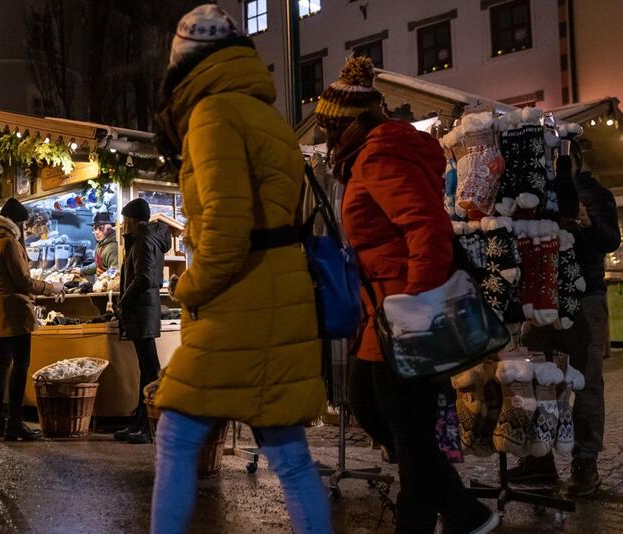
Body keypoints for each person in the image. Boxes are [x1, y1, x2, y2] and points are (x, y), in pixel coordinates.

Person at [150, 6, 332, 533]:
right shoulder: (266, 115)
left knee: (177, 434)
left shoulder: (211, 114)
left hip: (239, 303)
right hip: (277, 294)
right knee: (290, 456)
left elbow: (228, 229)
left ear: (182, 65)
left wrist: (188, 286)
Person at [320, 57, 498, 533]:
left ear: (353, 123)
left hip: (402, 313)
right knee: (376, 409)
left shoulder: (378, 155)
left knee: (406, 428)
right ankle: (464, 512)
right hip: (379, 313)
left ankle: (436, 518)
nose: (330, 138)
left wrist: (416, 307)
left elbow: (427, 228)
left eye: (333, 128)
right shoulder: (368, 156)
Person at [510, 143, 620, 495]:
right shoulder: (537, 193)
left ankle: (585, 463)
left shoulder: (593, 194)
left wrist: (587, 223)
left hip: (585, 299)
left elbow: (609, 240)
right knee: (538, 380)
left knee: (586, 382)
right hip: (542, 299)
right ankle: (539, 459)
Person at [0, 198, 63, 441]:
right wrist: (52, 287)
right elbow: (23, 282)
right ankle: (15, 423)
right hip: (16, 311)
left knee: (2, 364)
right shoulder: (9, 243)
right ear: (16, 222)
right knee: (20, 366)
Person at [114, 198, 171, 445]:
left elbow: (143, 277)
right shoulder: (142, 240)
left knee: (150, 370)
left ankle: (151, 426)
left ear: (133, 221)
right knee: (146, 369)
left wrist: (123, 301)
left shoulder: (143, 241)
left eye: (125, 219)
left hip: (142, 310)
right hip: (143, 310)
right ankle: (141, 421)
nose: (123, 224)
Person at [79, 212, 118, 276]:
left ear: (108, 228)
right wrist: (81, 270)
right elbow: (98, 264)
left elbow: (116, 271)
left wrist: (104, 275)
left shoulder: (112, 247)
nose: (96, 232)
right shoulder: (100, 245)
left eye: (100, 228)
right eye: (94, 229)